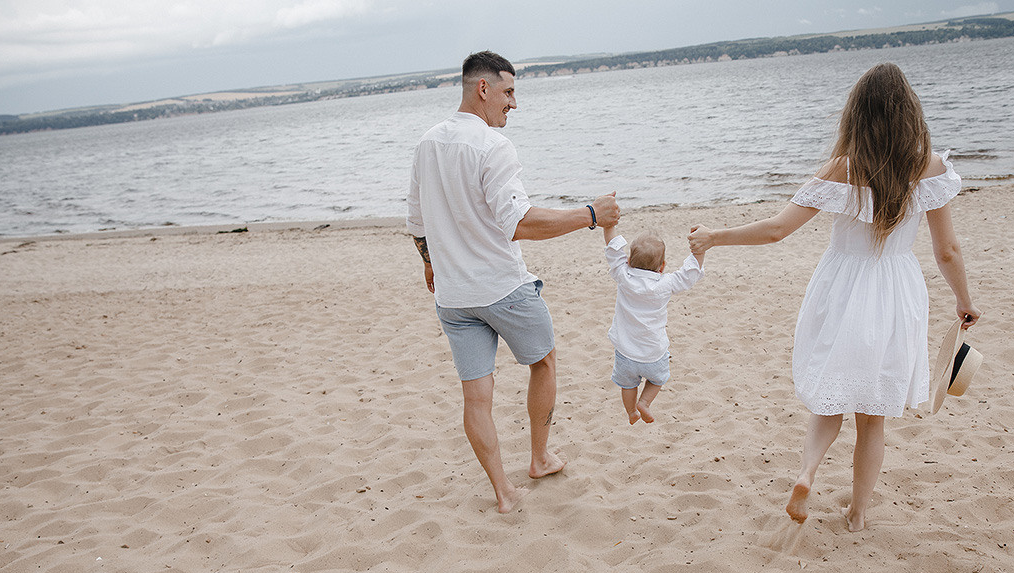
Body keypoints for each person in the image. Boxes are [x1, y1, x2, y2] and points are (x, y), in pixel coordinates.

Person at [688, 63, 980, 532]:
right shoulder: (930, 167)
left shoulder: (842, 169)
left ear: (856, 115)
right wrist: (964, 299)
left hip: (842, 288)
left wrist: (714, 236)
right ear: (909, 112)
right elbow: (946, 250)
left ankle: (807, 473)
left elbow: (776, 230)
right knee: (873, 417)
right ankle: (859, 512)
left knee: (829, 398)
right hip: (895, 292)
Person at [406, 50, 621, 513]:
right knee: (543, 361)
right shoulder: (492, 146)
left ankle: (503, 493)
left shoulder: (427, 143)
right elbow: (519, 222)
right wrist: (590, 215)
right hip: (503, 289)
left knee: (476, 396)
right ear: (483, 89)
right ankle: (540, 457)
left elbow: (417, 222)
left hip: (454, 298)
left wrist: (430, 262)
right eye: (508, 92)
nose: (514, 104)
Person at [600, 222, 703, 424]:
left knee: (628, 385)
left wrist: (608, 224)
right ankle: (645, 402)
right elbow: (689, 275)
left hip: (625, 352)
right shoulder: (665, 283)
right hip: (653, 353)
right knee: (657, 380)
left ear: (628, 261)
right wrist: (700, 248)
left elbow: (612, 250)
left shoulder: (623, 275)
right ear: (662, 266)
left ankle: (631, 412)